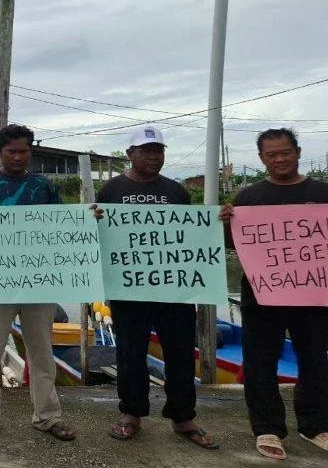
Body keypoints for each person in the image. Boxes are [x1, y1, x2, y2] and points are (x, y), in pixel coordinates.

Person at [0, 124, 76, 443]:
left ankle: (48, 415)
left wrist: (87, 218)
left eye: (23, 151)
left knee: (42, 350)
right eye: (11, 152)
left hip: (38, 279)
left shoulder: (43, 186)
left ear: (30, 151)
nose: (18, 157)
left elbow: (65, 224)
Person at [96, 125, 217, 450]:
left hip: (174, 291)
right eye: (146, 150)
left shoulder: (178, 192)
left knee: (180, 353)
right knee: (130, 354)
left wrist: (220, 222)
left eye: (158, 150)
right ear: (130, 154)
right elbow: (101, 237)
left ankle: (183, 416)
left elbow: (191, 236)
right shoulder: (110, 190)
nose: (153, 156)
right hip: (129, 291)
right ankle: (131, 413)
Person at [219, 128, 328, 459]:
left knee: (315, 361)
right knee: (260, 363)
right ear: (261, 159)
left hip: (313, 295)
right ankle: (268, 428)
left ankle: (315, 425)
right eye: (272, 154)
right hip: (262, 296)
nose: (280, 159)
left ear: (297, 152)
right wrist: (226, 222)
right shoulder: (249, 197)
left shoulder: (323, 192)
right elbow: (230, 244)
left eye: (285, 152)